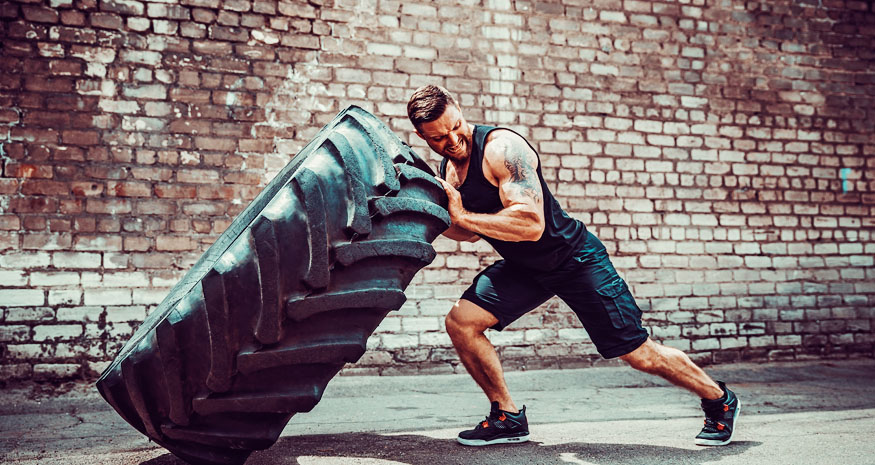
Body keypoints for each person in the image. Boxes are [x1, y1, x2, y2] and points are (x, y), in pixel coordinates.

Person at [406, 85, 741, 447]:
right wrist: (435, 211)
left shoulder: (502, 149)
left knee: (637, 353)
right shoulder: (451, 169)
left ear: (459, 109)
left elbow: (530, 224)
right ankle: (507, 416)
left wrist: (462, 215)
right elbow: (467, 234)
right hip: (525, 267)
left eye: (457, 126)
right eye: (439, 138)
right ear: (422, 135)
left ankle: (718, 399)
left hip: (575, 259)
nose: (454, 140)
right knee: (462, 322)